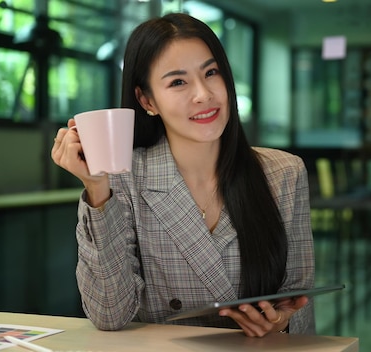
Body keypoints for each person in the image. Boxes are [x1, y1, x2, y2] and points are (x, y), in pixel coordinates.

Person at [51, 12, 315, 337]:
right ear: (147, 100)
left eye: (211, 72)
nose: (203, 94)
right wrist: (96, 186)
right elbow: (110, 314)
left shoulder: (284, 172)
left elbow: (299, 298)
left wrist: (281, 321)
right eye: (178, 82)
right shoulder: (121, 180)